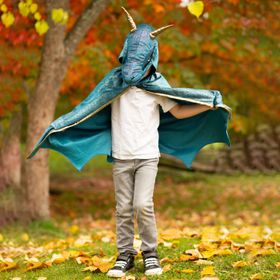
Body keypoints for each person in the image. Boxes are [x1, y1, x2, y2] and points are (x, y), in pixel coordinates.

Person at [106, 67, 212, 278]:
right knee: (123, 207)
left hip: (147, 156)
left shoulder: (156, 86)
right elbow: (93, 105)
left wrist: (207, 105)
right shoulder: (116, 84)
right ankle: (125, 255)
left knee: (142, 204)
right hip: (121, 156)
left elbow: (179, 111)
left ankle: (150, 253)